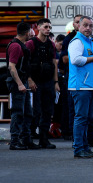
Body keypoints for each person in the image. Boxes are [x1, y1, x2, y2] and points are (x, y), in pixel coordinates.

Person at [68, 15, 93, 158]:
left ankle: (84, 147)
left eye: (91, 25)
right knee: (81, 118)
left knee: (87, 119)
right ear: (79, 26)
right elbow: (76, 60)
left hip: (90, 86)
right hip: (81, 87)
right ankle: (79, 149)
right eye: (85, 25)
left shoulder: (90, 42)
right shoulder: (77, 41)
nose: (88, 28)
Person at [6, 22, 40, 150]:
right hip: (17, 83)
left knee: (28, 113)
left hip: (22, 81)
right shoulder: (16, 46)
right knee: (18, 112)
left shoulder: (21, 45)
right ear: (26, 33)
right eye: (31, 32)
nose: (32, 34)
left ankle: (26, 140)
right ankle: (15, 141)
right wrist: (20, 84)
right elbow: (11, 67)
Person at [26, 18, 59, 149]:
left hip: (48, 82)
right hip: (36, 82)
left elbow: (54, 64)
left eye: (49, 27)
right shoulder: (31, 43)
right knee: (35, 111)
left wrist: (55, 82)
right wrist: (29, 80)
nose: (48, 29)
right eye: (45, 27)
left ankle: (43, 139)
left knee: (47, 111)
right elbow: (25, 64)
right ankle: (29, 138)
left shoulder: (51, 44)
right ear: (38, 27)